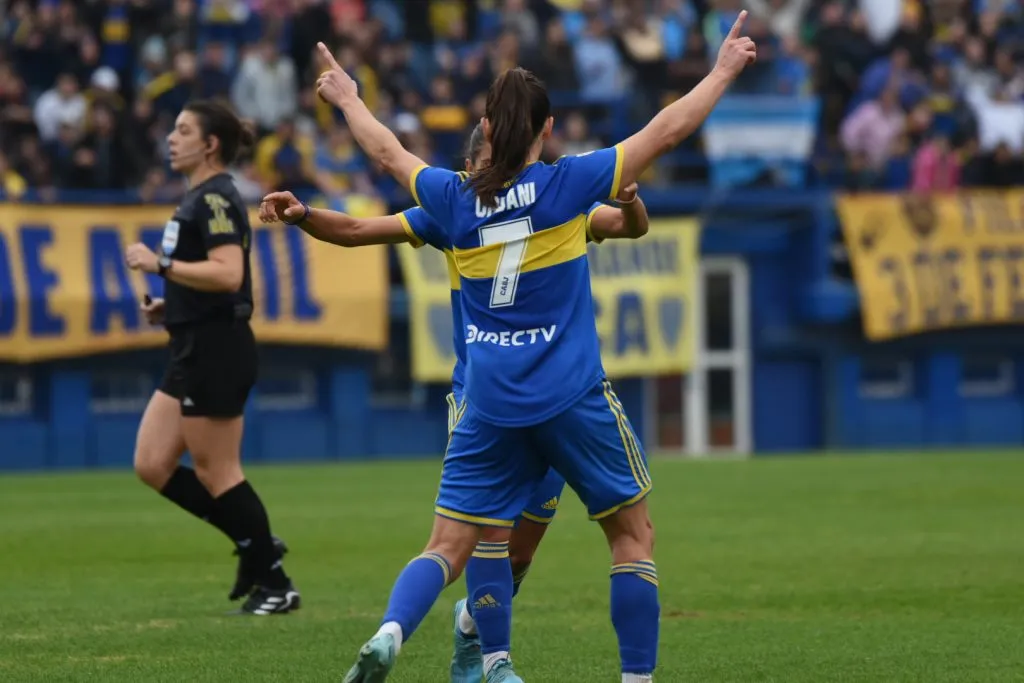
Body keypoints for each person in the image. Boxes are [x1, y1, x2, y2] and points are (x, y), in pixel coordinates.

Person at [317, 10, 754, 681]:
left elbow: (386, 152)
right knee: (631, 536)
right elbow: (669, 129)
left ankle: (396, 633)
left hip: (490, 398)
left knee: (450, 543)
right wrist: (721, 70)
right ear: (547, 130)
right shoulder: (567, 183)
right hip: (567, 393)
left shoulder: (451, 200)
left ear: (486, 129)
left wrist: (349, 98)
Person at [258, 122, 650, 681]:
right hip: (482, 395)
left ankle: (466, 628)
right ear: (470, 168)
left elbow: (627, 225)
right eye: (490, 161)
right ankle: (495, 662)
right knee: (486, 534)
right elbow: (355, 229)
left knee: (519, 552)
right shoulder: (453, 209)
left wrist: (630, 200)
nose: (501, 171)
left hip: (549, 392)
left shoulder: (554, 206)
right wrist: (304, 215)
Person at [124, 99, 300, 616]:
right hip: (192, 343)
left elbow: (227, 273)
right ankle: (255, 543)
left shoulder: (216, 197)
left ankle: (275, 581)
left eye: (183, 130)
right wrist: (172, 305)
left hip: (217, 349)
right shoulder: (198, 197)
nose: (171, 138)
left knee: (217, 471)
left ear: (210, 144)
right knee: (152, 463)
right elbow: (212, 278)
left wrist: (159, 265)